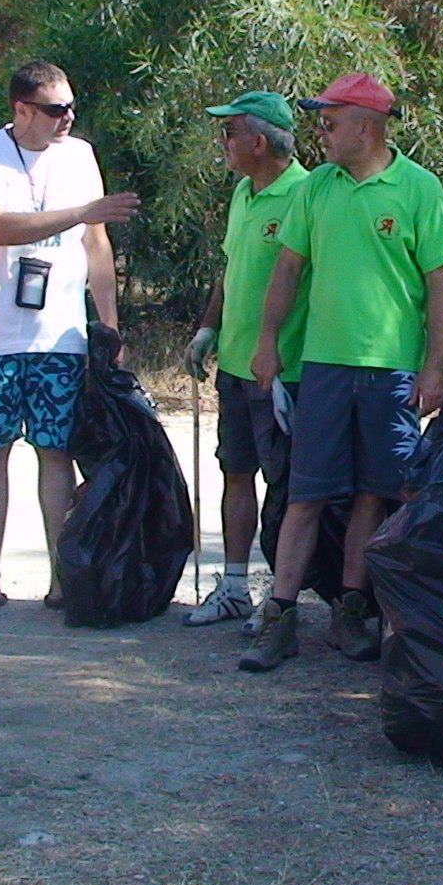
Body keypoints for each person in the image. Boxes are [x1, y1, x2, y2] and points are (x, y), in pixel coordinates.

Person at [240, 73, 443, 672]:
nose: (322, 131)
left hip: (390, 371)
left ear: (367, 126)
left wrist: (433, 367)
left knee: (374, 494)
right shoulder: (316, 190)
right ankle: (280, 616)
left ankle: (352, 613)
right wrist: (267, 340)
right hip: (325, 367)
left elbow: (440, 284)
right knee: (306, 494)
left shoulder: (418, 189)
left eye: (330, 121)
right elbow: (287, 270)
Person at [0, 61, 140, 618]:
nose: (67, 119)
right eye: (55, 110)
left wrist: (108, 323)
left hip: (58, 334)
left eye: (71, 108)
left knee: (56, 452)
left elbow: (95, 244)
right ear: (22, 109)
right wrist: (81, 212)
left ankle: (63, 577)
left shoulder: (78, 155)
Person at [180, 91, 311, 627]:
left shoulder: (307, 194)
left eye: (230, 134)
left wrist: (276, 352)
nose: (224, 144)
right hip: (234, 365)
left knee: (286, 488)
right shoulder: (242, 191)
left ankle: (280, 600)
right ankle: (234, 586)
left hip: (284, 370)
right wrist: (208, 328)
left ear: (258, 141)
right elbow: (231, 269)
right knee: (236, 471)